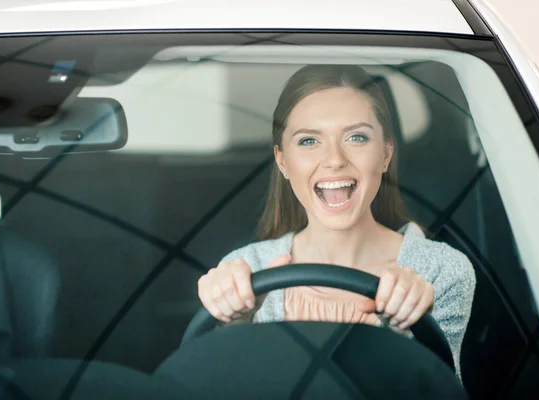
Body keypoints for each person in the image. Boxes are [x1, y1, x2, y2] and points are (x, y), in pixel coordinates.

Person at [197, 65, 476, 375]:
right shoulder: (246, 269)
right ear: (283, 161)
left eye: (356, 137)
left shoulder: (440, 271)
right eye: (308, 141)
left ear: (386, 154)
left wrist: (406, 333)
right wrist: (233, 327)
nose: (334, 160)